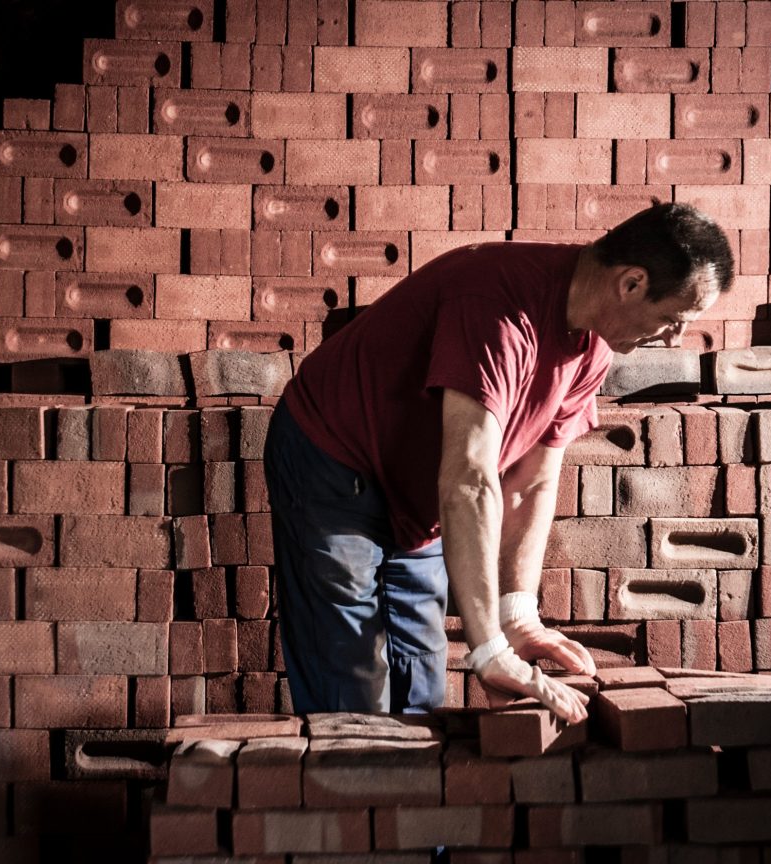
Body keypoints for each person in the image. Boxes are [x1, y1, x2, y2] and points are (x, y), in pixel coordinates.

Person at [263, 202, 734, 722]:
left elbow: (531, 482)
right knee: (350, 685)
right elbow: (468, 479)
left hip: (416, 490)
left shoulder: (595, 345)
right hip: (333, 457)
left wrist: (516, 616)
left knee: (419, 680)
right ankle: (341, 788)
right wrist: (488, 652)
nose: (676, 338)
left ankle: (401, 797)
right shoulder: (498, 306)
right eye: (673, 318)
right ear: (631, 283)